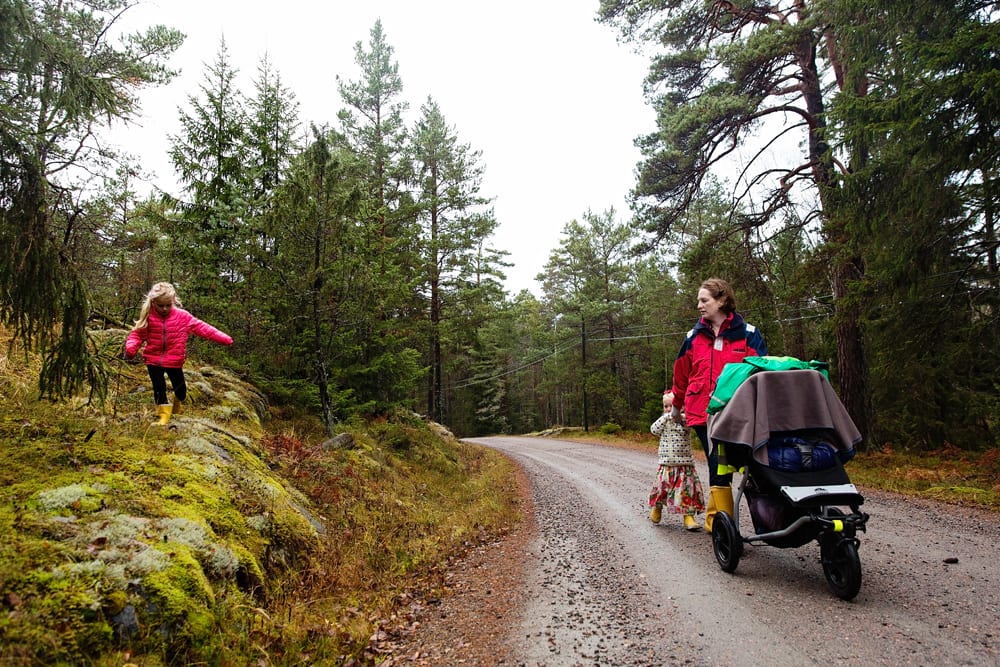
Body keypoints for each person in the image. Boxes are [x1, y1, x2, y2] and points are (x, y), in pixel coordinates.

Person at [670, 277, 767, 533]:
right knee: (718, 462)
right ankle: (719, 525)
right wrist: (676, 406)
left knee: (748, 466)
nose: (699, 306)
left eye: (705, 300)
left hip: (739, 412)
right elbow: (681, 375)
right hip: (702, 412)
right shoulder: (693, 337)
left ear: (722, 300)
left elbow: (761, 372)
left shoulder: (748, 334)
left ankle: (744, 521)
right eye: (699, 301)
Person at [125, 282, 233, 426]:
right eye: (160, 305)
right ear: (153, 303)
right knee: (159, 388)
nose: (164, 309)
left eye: (168, 305)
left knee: (181, 390)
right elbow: (137, 334)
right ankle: (163, 416)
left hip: (174, 361)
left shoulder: (183, 317)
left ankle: (177, 405)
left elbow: (203, 328)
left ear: (173, 301)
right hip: (153, 360)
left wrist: (223, 338)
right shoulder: (148, 317)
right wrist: (131, 347)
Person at [649, 390, 705, 530]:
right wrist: (666, 417)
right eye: (665, 406)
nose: (669, 410)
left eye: (672, 406)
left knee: (686, 492)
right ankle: (657, 508)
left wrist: (679, 416)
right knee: (662, 489)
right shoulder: (664, 421)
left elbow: (691, 424)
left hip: (685, 463)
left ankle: (688, 517)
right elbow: (653, 430)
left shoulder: (685, 421)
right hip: (667, 463)